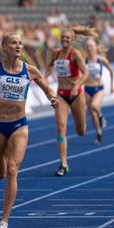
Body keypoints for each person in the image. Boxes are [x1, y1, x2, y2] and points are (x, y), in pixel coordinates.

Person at [0, 33, 58, 228]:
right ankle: (4, 212)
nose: (18, 46)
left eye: (20, 43)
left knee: (11, 171)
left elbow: (47, 89)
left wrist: (53, 98)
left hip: (19, 126)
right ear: (4, 47)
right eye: (13, 43)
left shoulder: (30, 70)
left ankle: (4, 222)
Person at [44, 26, 96, 176]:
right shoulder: (56, 54)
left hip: (76, 95)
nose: (65, 40)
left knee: (81, 131)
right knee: (61, 127)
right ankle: (63, 163)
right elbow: (49, 66)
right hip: (61, 95)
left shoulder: (75, 54)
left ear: (72, 40)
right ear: (60, 39)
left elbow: (85, 73)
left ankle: (84, 123)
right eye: (63, 37)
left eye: (68, 37)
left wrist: (77, 85)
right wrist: (45, 78)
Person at [84, 37, 114, 144]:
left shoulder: (101, 60)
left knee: (94, 106)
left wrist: (112, 86)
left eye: (91, 46)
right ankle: (98, 133)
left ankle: (101, 117)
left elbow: (111, 71)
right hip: (87, 89)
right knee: (92, 115)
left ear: (96, 47)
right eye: (87, 46)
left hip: (99, 88)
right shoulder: (84, 60)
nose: (89, 48)